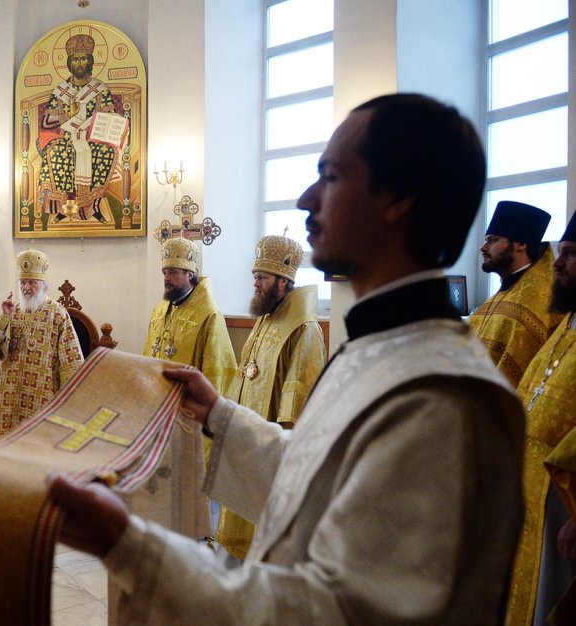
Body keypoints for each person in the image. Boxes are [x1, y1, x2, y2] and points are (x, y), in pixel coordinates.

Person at [49, 93, 526, 624]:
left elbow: (337, 609)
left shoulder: (444, 399)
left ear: (398, 198)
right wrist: (219, 416)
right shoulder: (383, 348)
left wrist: (128, 545)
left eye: (331, 176)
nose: (306, 198)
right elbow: (320, 481)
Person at [214, 234, 326, 559]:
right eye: (255, 278)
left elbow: (299, 395)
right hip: (248, 443)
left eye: (262, 278)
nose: (256, 285)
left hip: (272, 452)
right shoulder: (264, 320)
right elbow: (244, 375)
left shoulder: (305, 329)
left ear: (283, 281)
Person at [140, 236, 238, 538]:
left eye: (173, 272)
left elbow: (218, 373)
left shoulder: (209, 315)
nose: (166, 278)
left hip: (189, 420)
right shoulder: (160, 311)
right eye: (164, 272)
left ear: (190, 275)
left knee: (194, 494)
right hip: (158, 416)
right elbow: (148, 358)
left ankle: (198, 545)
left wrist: (206, 420)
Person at [506, 212, 576, 626]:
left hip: (566, 496)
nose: (559, 263)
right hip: (535, 489)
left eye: (569, 254)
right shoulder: (566, 323)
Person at [0, 249, 84, 441]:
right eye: (23, 283)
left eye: (32, 282)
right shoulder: (13, 310)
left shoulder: (57, 313)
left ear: (43, 285)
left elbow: (71, 359)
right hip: (12, 391)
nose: (26, 288)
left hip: (43, 392)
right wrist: (4, 317)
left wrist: (68, 401)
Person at [468, 201, 563, 386]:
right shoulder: (499, 297)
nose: (483, 247)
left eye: (492, 240)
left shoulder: (539, 299)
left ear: (520, 244)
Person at [37, 33, 117, 224]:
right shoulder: (61, 91)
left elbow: (111, 116)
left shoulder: (100, 89)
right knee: (57, 153)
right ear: (69, 63)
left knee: (106, 152)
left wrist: (108, 121)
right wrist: (68, 115)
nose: (79, 63)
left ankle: (93, 206)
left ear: (90, 62)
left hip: (91, 138)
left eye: (83, 59)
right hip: (67, 138)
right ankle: (65, 208)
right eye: (75, 59)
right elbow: (46, 122)